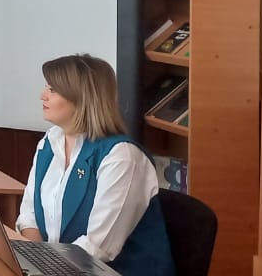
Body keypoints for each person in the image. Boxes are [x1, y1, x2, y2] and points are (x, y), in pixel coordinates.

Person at [15, 55, 172, 276]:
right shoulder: (51, 141)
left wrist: (42, 267)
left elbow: (97, 247)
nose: (43, 95)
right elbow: (29, 213)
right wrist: (35, 260)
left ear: (81, 98)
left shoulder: (122, 157)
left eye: (53, 90)